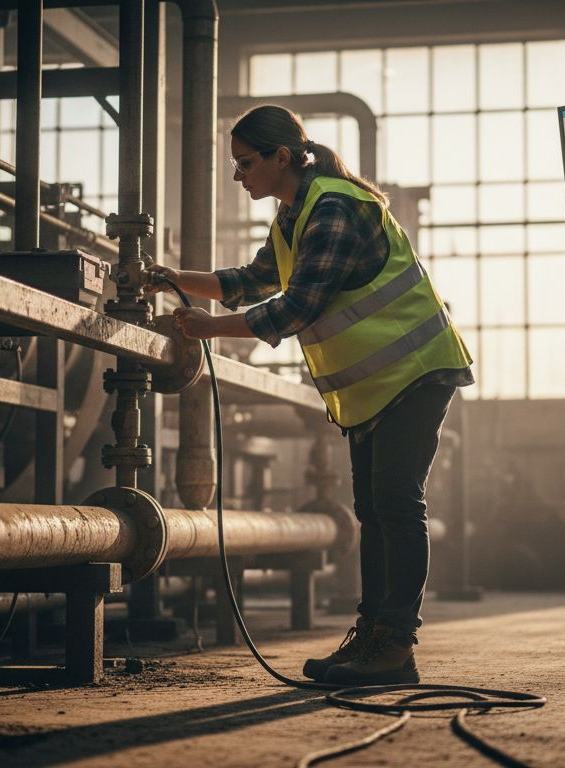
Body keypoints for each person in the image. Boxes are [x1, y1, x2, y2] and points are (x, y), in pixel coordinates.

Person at [144, 105, 473, 686]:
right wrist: (171, 277)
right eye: (234, 166)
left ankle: (394, 642)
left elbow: (297, 308)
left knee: (396, 503)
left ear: (282, 158)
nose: (240, 175)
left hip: (416, 370)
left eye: (246, 163)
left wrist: (208, 329)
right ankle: (375, 639)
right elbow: (249, 281)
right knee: (373, 510)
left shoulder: (335, 207)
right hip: (376, 385)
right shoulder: (293, 216)